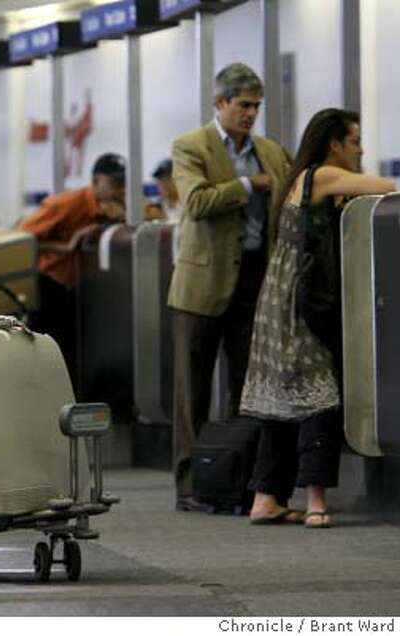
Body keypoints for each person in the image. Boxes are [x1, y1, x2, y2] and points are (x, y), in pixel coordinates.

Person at [239, 109, 394, 528]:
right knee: (319, 393)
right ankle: (316, 502)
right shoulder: (322, 175)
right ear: (335, 144)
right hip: (301, 301)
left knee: (283, 398)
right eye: (356, 141)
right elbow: (388, 187)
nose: (361, 149)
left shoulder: (297, 177)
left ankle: (265, 498)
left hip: (279, 296)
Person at [168, 63, 292, 513]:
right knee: (192, 394)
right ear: (220, 103)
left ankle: (238, 481)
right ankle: (189, 487)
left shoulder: (270, 151)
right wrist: (245, 185)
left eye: (256, 106)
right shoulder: (191, 146)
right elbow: (197, 202)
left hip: (256, 281)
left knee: (247, 387)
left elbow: (291, 193)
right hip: (201, 286)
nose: (250, 114)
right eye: (242, 105)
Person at [19, 153, 126, 384]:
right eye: (116, 184)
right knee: (48, 345)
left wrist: (121, 220)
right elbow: (21, 238)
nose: (121, 191)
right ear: (96, 181)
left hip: (83, 288)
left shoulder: (119, 207)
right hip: (52, 283)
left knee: (76, 347)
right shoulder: (66, 204)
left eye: (124, 184)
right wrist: (65, 246)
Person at [151, 159, 183, 223]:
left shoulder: (189, 206)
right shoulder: (155, 209)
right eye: (160, 179)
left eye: (168, 178)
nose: (164, 184)